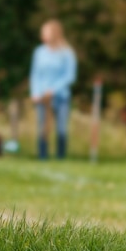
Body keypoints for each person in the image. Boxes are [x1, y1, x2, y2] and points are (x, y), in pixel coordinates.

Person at [29, 19, 77, 159]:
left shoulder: (67, 53)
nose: (42, 35)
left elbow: (70, 76)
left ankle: (60, 157)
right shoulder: (39, 52)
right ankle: (42, 157)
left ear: (54, 34)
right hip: (42, 97)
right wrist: (35, 93)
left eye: (45, 32)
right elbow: (35, 74)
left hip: (61, 96)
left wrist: (53, 89)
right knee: (43, 128)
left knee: (61, 129)